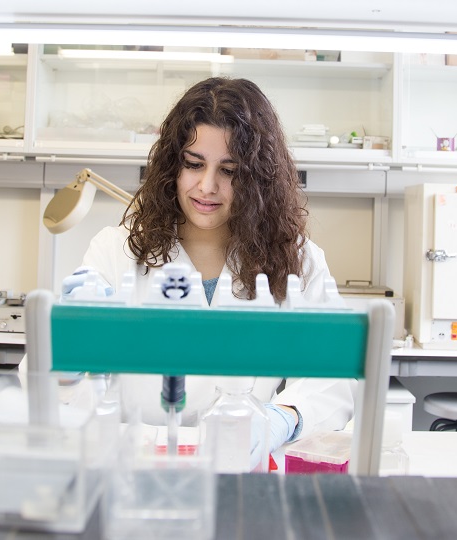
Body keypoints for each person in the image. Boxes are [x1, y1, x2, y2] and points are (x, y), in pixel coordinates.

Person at [62, 77, 357, 454]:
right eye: (193, 164)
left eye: (229, 171)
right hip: (137, 465)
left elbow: (331, 379)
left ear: (258, 178)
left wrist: (281, 418)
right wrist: (66, 355)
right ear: (173, 166)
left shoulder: (298, 259)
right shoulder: (115, 251)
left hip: (240, 465)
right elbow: (55, 384)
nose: (206, 186)